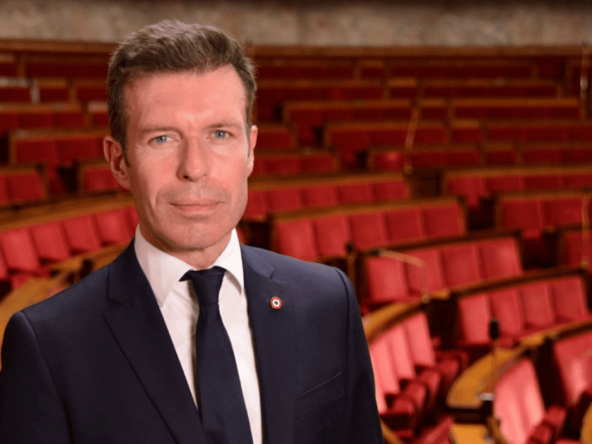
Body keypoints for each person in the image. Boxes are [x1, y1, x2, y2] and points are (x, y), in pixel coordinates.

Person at [0, 19, 383, 444]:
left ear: (250, 150)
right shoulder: (49, 343)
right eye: (162, 139)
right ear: (119, 162)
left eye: (220, 134)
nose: (194, 168)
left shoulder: (328, 301)